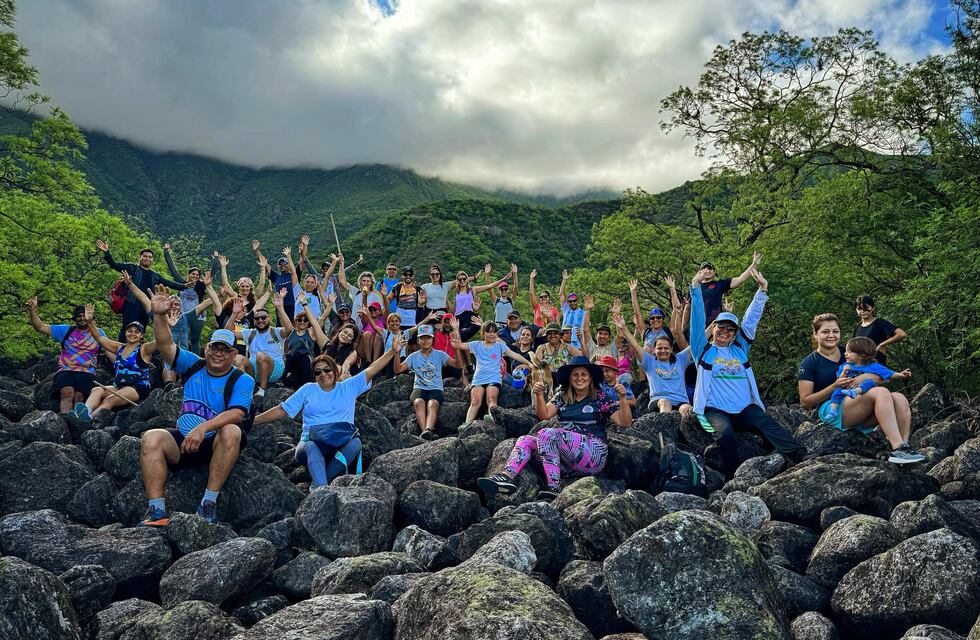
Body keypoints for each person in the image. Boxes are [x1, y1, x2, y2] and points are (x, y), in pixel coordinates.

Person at [138, 286, 255, 526]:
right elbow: (165, 344)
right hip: (184, 440)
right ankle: (156, 511)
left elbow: (237, 413)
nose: (218, 354)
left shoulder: (242, 379)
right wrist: (159, 316)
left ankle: (208, 504)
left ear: (234, 355)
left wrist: (203, 429)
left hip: (215, 443)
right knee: (151, 437)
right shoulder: (193, 365)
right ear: (206, 348)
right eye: (214, 347)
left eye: (225, 350)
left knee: (232, 430)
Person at [689, 266, 805, 477]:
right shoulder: (703, 349)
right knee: (726, 434)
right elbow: (696, 322)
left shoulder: (740, 349)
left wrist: (762, 291)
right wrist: (695, 289)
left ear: (734, 334)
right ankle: (732, 478)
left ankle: (799, 455)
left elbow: (750, 321)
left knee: (766, 421)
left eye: (730, 329)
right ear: (713, 328)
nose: (725, 332)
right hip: (715, 410)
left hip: (744, 409)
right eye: (721, 328)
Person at [252, 334, 405, 490]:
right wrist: (253, 420)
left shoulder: (348, 387)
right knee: (311, 446)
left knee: (356, 443)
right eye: (318, 372)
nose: (323, 374)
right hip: (310, 444)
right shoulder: (308, 389)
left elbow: (372, 369)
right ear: (314, 375)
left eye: (327, 370)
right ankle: (322, 488)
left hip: (339, 443)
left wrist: (393, 351)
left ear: (334, 370)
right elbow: (282, 409)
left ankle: (322, 479)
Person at [477, 356, 632, 500]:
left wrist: (623, 398)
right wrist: (539, 395)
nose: (579, 378)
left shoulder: (600, 397)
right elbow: (544, 414)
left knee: (547, 433)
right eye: (575, 375)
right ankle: (506, 477)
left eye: (584, 374)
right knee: (525, 440)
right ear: (570, 378)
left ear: (590, 377)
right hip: (568, 459)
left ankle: (554, 487)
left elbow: (624, 422)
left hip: (594, 454)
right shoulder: (562, 396)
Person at [798, 313, 925, 463]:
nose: (831, 335)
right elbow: (805, 402)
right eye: (825, 332)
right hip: (833, 408)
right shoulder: (809, 363)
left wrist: (867, 377)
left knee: (899, 398)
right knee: (882, 392)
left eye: (835, 331)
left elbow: (881, 376)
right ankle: (898, 448)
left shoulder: (852, 351)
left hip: (858, 402)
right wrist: (834, 386)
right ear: (815, 334)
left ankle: (904, 448)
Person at [78, 294, 160, 421]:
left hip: (136, 387)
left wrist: (165, 323)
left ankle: (87, 419)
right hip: (119, 386)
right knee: (97, 390)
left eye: (136, 332)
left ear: (141, 335)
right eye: (130, 331)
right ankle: (84, 412)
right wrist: (90, 321)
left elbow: (160, 340)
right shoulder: (119, 347)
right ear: (125, 333)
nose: (132, 334)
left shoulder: (144, 349)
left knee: (109, 400)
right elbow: (100, 338)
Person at [25, 297, 107, 414]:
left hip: (87, 371)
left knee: (79, 396)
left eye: (84, 315)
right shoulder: (65, 330)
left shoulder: (99, 333)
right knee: (67, 393)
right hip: (66, 369)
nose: (82, 318)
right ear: (75, 318)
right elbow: (40, 327)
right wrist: (32, 311)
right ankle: (65, 419)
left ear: (90, 317)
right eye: (79, 316)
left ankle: (77, 420)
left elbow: (110, 349)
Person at [95, 240, 188, 340]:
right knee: (127, 329)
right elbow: (114, 265)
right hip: (131, 305)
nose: (147, 258)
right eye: (145, 256)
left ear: (152, 260)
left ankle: (138, 353)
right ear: (139, 257)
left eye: (150, 257)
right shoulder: (132, 268)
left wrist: (185, 286)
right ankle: (121, 350)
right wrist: (106, 252)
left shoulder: (155, 275)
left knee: (141, 330)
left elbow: (169, 283)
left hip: (146, 308)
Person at [453, 320, 532, 424]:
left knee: (491, 399)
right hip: (479, 378)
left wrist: (529, 363)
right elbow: (458, 345)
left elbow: (514, 355)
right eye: (488, 332)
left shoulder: (500, 346)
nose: (491, 334)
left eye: (494, 332)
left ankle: (491, 419)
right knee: (475, 402)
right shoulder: (477, 345)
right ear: (483, 333)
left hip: (494, 377)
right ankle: (467, 424)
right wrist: (455, 329)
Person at [393, 324, 462, 439]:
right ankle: (425, 432)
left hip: (435, 388)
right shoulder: (414, 356)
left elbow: (458, 365)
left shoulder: (440, 354)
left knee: (433, 403)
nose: (425, 341)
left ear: (432, 339)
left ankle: (428, 430)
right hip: (419, 388)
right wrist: (397, 353)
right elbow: (397, 369)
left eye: (428, 338)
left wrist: (456, 349)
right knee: (418, 402)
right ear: (418, 340)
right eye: (422, 338)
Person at [616, 313, 692, 416]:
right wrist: (624, 328)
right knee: (665, 402)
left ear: (671, 349)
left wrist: (714, 327)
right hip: (659, 402)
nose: (663, 350)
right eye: (659, 348)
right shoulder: (650, 362)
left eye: (666, 348)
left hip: (681, 401)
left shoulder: (680, 360)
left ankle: (706, 431)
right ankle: (665, 430)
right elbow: (635, 345)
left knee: (687, 409)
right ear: (654, 350)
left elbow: (698, 345)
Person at [822, 336, 911, 422]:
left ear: (861, 355)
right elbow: (839, 380)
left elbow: (889, 374)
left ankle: (856, 391)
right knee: (837, 390)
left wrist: (901, 375)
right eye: (845, 351)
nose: (845, 354)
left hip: (864, 393)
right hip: (847, 391)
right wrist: (844, 372)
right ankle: (833, 411)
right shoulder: (845, 366)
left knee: (869, 382)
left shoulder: (873, 366)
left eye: (849, 352)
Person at [225, 290, 292, 397]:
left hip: (274, 368)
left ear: (269, 319)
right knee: (238, 358)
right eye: (257, 318)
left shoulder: (276, 332)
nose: (260, 320)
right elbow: (227, 333)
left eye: (263, 317)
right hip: (254, 369)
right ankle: (244, 388)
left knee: (261, 356)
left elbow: (289, 330)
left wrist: (280, 308)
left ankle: (262, 389)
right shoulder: (250, 333)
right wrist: (234, 314)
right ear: (254, 321)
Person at [163, 243, 220, 353]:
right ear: (188, 275)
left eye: (197, 275)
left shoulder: (201, 286)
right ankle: (177, 357)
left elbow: (211, 274)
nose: (195, 276)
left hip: (198, 316)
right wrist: (166, 252)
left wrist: (215, 259)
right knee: (180, 337)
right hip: (182, 316)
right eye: (192, 274)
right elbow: (172, 268)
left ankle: (195, 361)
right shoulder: (181, 284)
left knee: (195, 339)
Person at [688, 252, 762, 328]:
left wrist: (754, 265)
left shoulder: (719, 284)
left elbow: (739, 280)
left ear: (714, 273)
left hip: (715, 325)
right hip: (696, 325)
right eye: (704, 269)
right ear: (699, 272)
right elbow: (688, 309)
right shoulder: (694, 288)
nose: (707, 271)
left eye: (710, 269)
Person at [450, 265, 503, 341]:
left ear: (467, 279)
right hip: (458, 318)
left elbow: (489, 286)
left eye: (464, 279)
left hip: (469, 316)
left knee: (464, 335)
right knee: (459, 339)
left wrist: (504, 278)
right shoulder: (456, 292)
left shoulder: (473, 290)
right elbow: (453, 309)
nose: (462, 281)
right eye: (460, 279)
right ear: (457, 281)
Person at [853, 295, 907, 365]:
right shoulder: (857, 328)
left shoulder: (880, 322)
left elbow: (902, 334)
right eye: (859, 309)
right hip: (861, 363)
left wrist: (881, 345)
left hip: (876, 361)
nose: (863, 311)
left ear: (873, 308)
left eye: (866, 308)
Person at [337, 256, 384, 330]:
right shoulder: (355, 292)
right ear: (360, 282)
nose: (366, 283)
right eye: (363, 281)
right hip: (355, 326)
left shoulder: (376, 297)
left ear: (371, 283)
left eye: (368, 281)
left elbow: (381, 313)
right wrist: (341, 263)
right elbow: (341, 280)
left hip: (369, 327)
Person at [580, 295, 616, 361]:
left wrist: (616, 315)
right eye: (600, 333)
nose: (602, 336)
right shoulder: (591, 347)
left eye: (605, 334)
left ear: (609, 337)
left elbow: (620, 335)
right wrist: (588, 310)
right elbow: (586, 330)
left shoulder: (612, 349)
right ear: (596, 336)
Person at [558, 270, 586, 349]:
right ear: (567, 302)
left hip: (579, 345)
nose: (572, 302)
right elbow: (561, 295)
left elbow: (586, 330)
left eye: (574, 300)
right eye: (570, 301)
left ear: (578, 301)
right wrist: (564, 280)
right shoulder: (566, 310)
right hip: (565, 343)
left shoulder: (584, 313)